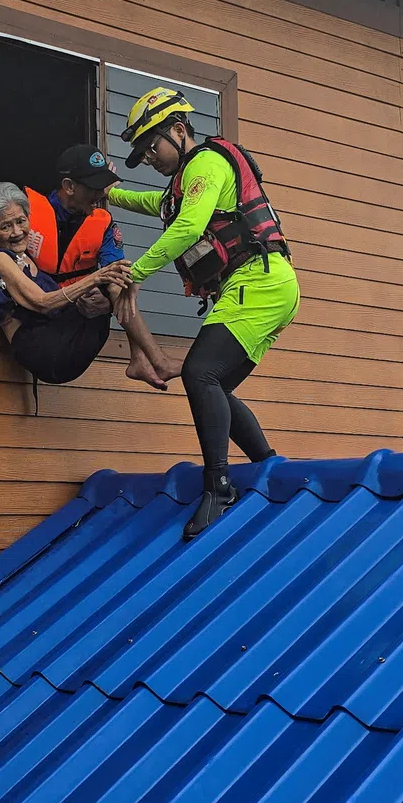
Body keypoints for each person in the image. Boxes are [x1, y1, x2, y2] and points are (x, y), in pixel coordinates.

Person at [108, 87, 298, 539]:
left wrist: (137, 272)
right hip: (257, 286)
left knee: (200, 374)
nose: (149, 157)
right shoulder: (182, 187)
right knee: (216, 386)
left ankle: (219, 487)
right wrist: (109, 193)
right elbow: (155, 204)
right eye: (141, 152)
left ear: (179, 130)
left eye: (152, 146)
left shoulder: (208, 164)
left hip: (261, 281)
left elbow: (191, 227)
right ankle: (268, 467)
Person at [0, 180, 175, 399]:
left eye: (21, 221)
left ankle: (139, 358)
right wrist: (96, 277)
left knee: (115, 288)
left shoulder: (25, 256)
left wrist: (103, 295)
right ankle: (157, 360)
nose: (17, 231)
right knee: (111, 284)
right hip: (42, 349)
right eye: (5, 226)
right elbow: (42, 302)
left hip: (57, 337)